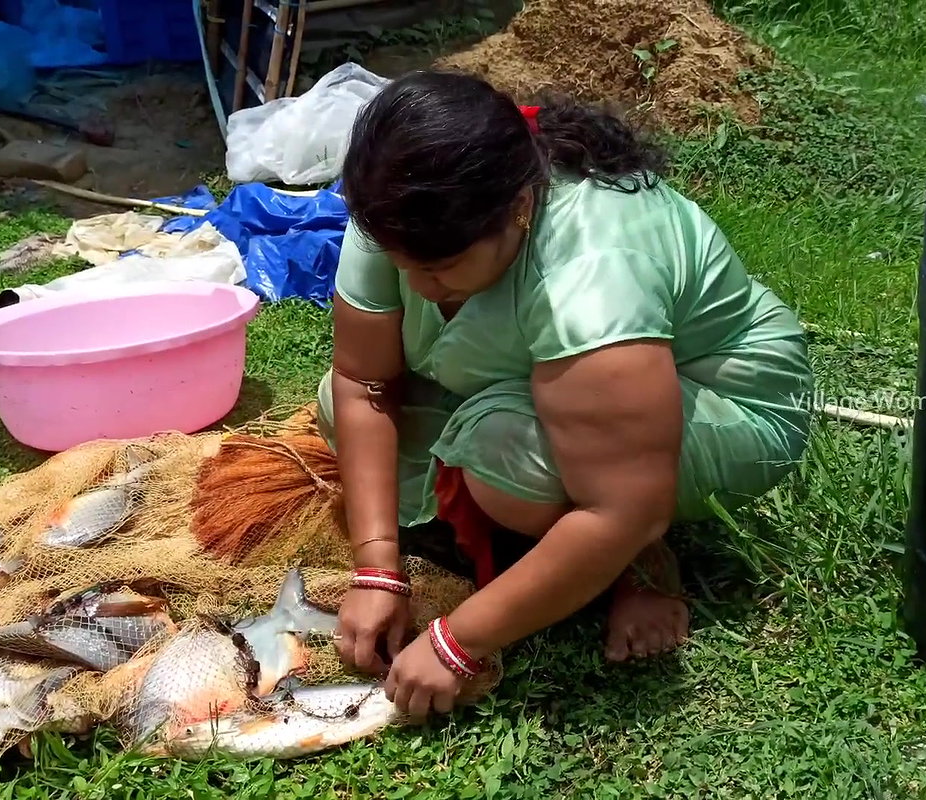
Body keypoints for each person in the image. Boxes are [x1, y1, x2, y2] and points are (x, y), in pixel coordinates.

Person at [316, 70, 813, 723]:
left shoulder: (591, 268)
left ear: (518, 211)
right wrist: (376, 568)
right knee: (334, 403)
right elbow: (364, 383)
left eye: (439, 268)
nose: (420, 285)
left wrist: (456, 641)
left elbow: (620, 507)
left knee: (505, 453)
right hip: (561, 388)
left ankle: (644, 566)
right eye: (405, 265)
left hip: (723, 402)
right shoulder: (402, 210)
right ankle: (559, 544)